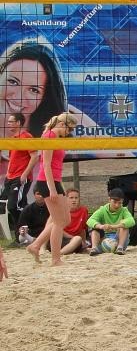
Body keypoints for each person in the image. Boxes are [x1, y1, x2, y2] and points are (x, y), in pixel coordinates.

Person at [0, 39, 68, 140]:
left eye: (34, 90)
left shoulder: (61, 126)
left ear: (45, 97)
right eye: (13, 82)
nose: (19, 98)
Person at [35, 112, 77, 266]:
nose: (69, 133)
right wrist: (52, 189)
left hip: (55, 181)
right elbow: (45, 165)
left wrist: (60, 187)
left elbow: (55, 166)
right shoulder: (49, 136)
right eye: (69, 129)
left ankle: (35, 245)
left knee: (64, 219)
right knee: (60, 221)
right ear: (62, 124)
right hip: (47, 182)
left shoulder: (55, 137)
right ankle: (55, 259)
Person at [27, 188, 88, 262]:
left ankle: (59, 254)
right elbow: (56, 228)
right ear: (66, 199)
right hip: (58, 237)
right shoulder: (61, 209)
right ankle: (43, 247)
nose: (74, 200)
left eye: (76, 198)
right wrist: (68, 236)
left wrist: (84, 243)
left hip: (73, 241)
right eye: (71, 198)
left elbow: (83, 228)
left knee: (78, 239)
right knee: (52, 220)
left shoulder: (83, 210)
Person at [1, 113, 38, 231]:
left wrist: (24, 175)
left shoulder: (26, 136)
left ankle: (22, 233)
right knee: (4, 205)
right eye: (8, 122)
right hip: (10, 177)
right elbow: (13, 159)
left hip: (20, 177)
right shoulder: (13, 139)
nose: (8, 124)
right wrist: (8, 173)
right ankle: (25, 232)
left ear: (18, 123)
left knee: (13, 206)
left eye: (11, 121)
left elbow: (34, 157)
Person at [87, 188, 136, 255]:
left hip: (119, 240)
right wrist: (101, 226)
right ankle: (94, 248)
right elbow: (90, 220)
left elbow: (132, 221)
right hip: (103, 241)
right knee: (94, 227)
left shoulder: (124, 210)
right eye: (115, 202)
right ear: (109, 199)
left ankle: (120, 248)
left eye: (120, 203)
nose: (117, 205)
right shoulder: (102, 210)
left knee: (124, 224)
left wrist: (114, 226)